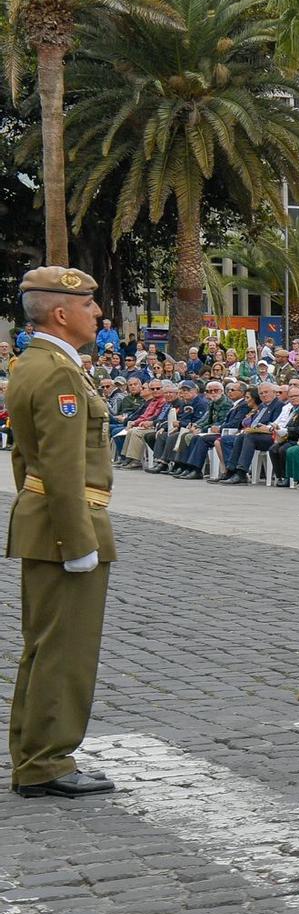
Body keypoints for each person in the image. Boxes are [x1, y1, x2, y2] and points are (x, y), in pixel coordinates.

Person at [8, 266, 117, 798]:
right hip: (64, 528)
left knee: (43, 646)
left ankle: (33, 756)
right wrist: (78, 542)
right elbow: (61, 466)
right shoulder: (57, 373)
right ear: (60, 313)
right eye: (89, 304)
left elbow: (23, 460)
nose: (98, 312)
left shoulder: (30, 364)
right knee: (64, 650)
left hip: (42, 520)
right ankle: (48, 762)